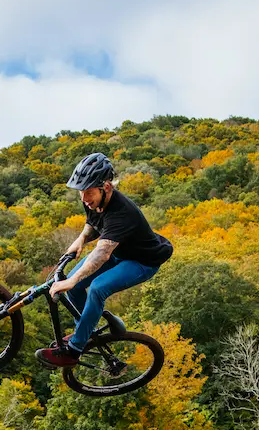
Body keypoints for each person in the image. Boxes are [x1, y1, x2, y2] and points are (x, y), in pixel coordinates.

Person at [35, 153, 174, 367]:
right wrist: (81, 239)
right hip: (120, 253)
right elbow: (93, 222)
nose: (84, 199)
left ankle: (73, 351)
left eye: (89, 193)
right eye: (81, 193)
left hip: (142, 261)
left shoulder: (122, 213)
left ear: (106, 187)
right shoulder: (92, 199)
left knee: (97, 288)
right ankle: (85, 332)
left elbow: (102, 254)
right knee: (74, 287)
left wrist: (71, 280)